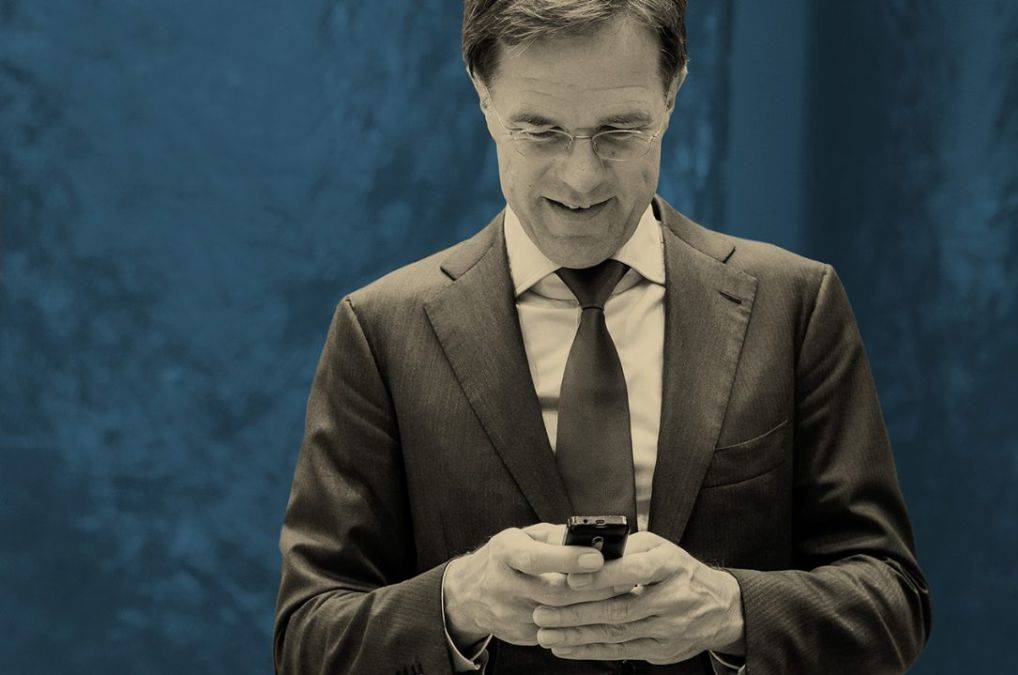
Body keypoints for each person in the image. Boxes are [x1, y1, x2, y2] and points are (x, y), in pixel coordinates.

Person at [274, 1, 932, 673]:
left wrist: (730, 609)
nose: (580, 178)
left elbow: (891, 602)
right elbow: (306, 640)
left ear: (672, 93)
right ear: (483, 95)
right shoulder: (381, 331)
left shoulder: (794, 305)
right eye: (540, 131)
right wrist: (458, 603)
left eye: (620, 130)